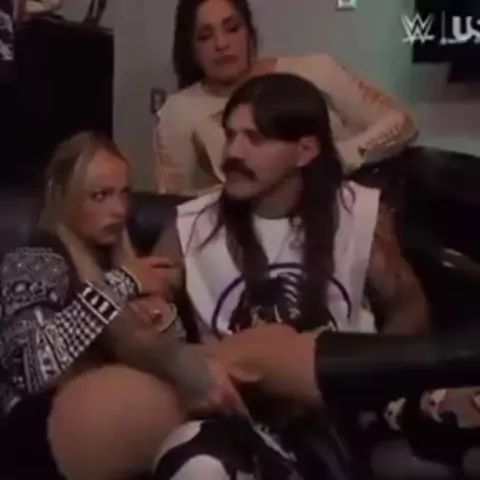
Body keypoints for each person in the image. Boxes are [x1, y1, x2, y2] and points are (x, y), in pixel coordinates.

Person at [150, 73, 429, 479]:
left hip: (346, 411)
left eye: (255, 138)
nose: (233, 152)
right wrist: (172, 350)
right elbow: (142, 320)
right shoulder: (189, 226)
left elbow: (410, 307)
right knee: (198, 465)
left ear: (305, 150)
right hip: (243, 419)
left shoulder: (359, 214)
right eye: (230, 135)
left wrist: (371, 378)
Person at [0, 131, 246, 480]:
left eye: (124, 194)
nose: (118, 210)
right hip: (41, 441)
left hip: (125, 434)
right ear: (61, 194)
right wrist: (121, 284)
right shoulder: (34, 260)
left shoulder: (125, 261)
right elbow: (31, 370)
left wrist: (160, 314)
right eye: (99, 196)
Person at [154, 0, 418, 195]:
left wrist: (334, 158)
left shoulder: (317, 71)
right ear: (191, 48)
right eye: (205, 36)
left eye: (232, 28)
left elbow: (402, 124)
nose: (221, 44)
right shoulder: (179, 112)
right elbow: (174, 204)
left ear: (249, 32)